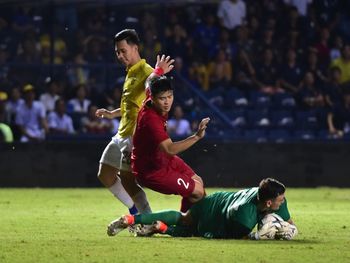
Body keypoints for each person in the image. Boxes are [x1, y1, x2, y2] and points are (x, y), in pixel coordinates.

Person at [94, 29, 162, 216]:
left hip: (134, 136)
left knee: (128, 182)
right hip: (121, 133)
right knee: (105, 174)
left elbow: (151, 86)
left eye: (123, 50)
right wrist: (111, 114)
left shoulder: (145, 71)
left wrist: (157, 73)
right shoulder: (130, 72)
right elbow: (132, 106)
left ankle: (146, 220)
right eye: (117, 52)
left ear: (135, 48)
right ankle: (134, 211)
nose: (120, 55)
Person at [107, 178, 297, 240]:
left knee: (183, 218)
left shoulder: (269, 195)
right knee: (191, 231)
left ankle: (132, 220)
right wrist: (264, 234)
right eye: (280, 200)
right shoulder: (245, 218)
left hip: (216, 199)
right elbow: (240, 236)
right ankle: (160, 227)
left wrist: (290, 229)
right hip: (217, 216)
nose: (283, 202)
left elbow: (289, 222)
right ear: (269, 203)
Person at [131, 67, 210, 214]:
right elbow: (170, 149)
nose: (167, 102)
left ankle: (185, 222)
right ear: (153, 98)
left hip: (162, 160)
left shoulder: (151, 97)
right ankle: (185, 224)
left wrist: (158, 70)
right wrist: (197, 136)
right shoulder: (151, 120)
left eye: (170, 96)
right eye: (162, 98)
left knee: (198, 181)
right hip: (152, 171)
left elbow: (148, 81)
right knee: (198, 192)